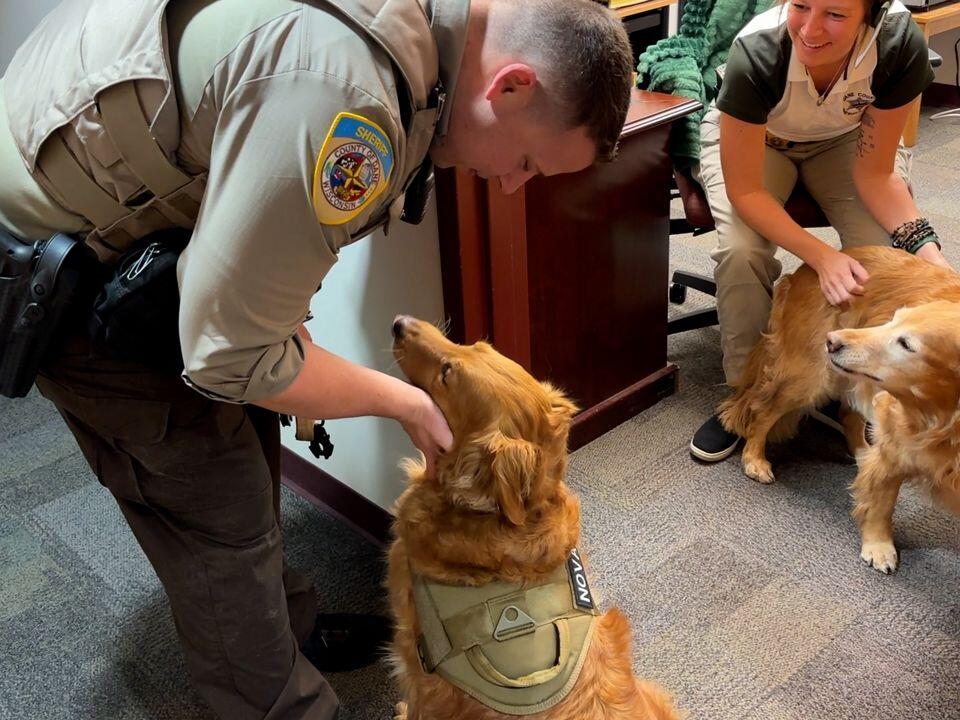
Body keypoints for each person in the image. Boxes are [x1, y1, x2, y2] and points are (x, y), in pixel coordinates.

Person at [0, 0, 633, 717]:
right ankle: (273, 697)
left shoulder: (423, 42)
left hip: (133, 214)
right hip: (63, 268)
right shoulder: (349, 97)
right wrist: (405, 400)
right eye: (526, 163)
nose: (512, 183)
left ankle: (291, 630)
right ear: (510, 86)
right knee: (217, 515)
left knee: (252, 447)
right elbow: (230, 358)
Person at [688, 0, 952, 462]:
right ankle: (747, 398)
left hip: (845, 139)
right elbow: (747, 192)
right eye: (800, 5)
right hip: (761, 141)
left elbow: (876, 176)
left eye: (835, 14)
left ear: (870, 15)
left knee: (882, 257)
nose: (810, 30)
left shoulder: (897, 45)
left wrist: (932, 258)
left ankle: (852, 392)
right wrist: (822, 256)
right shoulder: (758, 52)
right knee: (742, 251)